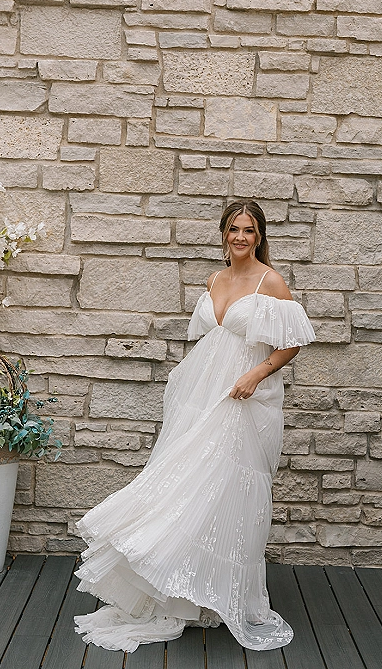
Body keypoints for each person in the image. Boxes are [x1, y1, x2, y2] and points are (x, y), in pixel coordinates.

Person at [74, 200, 316, 652]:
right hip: (202, 392)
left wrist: (257, 372)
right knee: (188, 484)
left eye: (248, 230)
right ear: (224, 234)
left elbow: (293, 342)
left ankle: (225, 594)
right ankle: (184, 591)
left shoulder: (270, 281)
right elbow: (214, 340)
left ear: (259, 236)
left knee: (228, 488)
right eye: (233, 229)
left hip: (245, 398)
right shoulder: (214, 279)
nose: (240, 237)